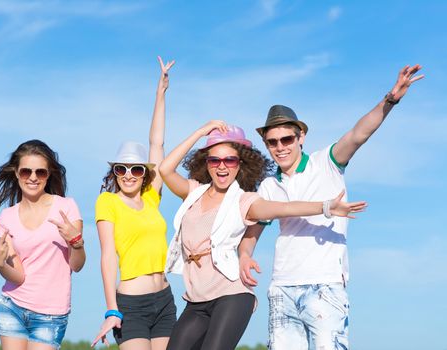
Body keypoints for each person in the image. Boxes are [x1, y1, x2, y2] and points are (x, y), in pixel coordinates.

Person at [238, 64, 424, 350]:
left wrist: (390, 100)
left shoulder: (326, 162)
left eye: (287, 139)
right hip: (282, 287)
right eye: (272, 142)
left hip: (325, 286)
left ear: (301, 137)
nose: (280, 147)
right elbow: (252, 233)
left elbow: (359, 133)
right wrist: (245, 255)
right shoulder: (267, 186)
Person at [159, 121, 366, 350]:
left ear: (240, 165)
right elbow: (165, 169)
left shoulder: (244, 201)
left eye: (230, 160)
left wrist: (325, 206)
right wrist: (200, 132)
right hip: (196, 298)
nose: (222, 166)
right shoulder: (193, 193)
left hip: (231, 294)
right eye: (214, 159)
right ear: (205, 163)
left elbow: (284, 208)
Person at [91, 57, 176, 350]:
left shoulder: (152, 198)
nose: (128, 175)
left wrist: (160, 93)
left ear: (145, 174)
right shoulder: (107, 202)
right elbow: (107, 256)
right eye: (121, 169)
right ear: (114, 172)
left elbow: (157, 144)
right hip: (132, 304)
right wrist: (111, 309)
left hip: (164, 299)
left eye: (136, 169)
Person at [0, 139, 86, 350]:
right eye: (26, 172)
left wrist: (75, 242)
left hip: (51, 314)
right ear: (16, 173)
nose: (33, 177)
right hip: (12, 307)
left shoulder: (66, 208)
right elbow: (19, 275)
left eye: (40, 172)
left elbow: (76, 266)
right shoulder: (7, 217)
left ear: (48, 174)